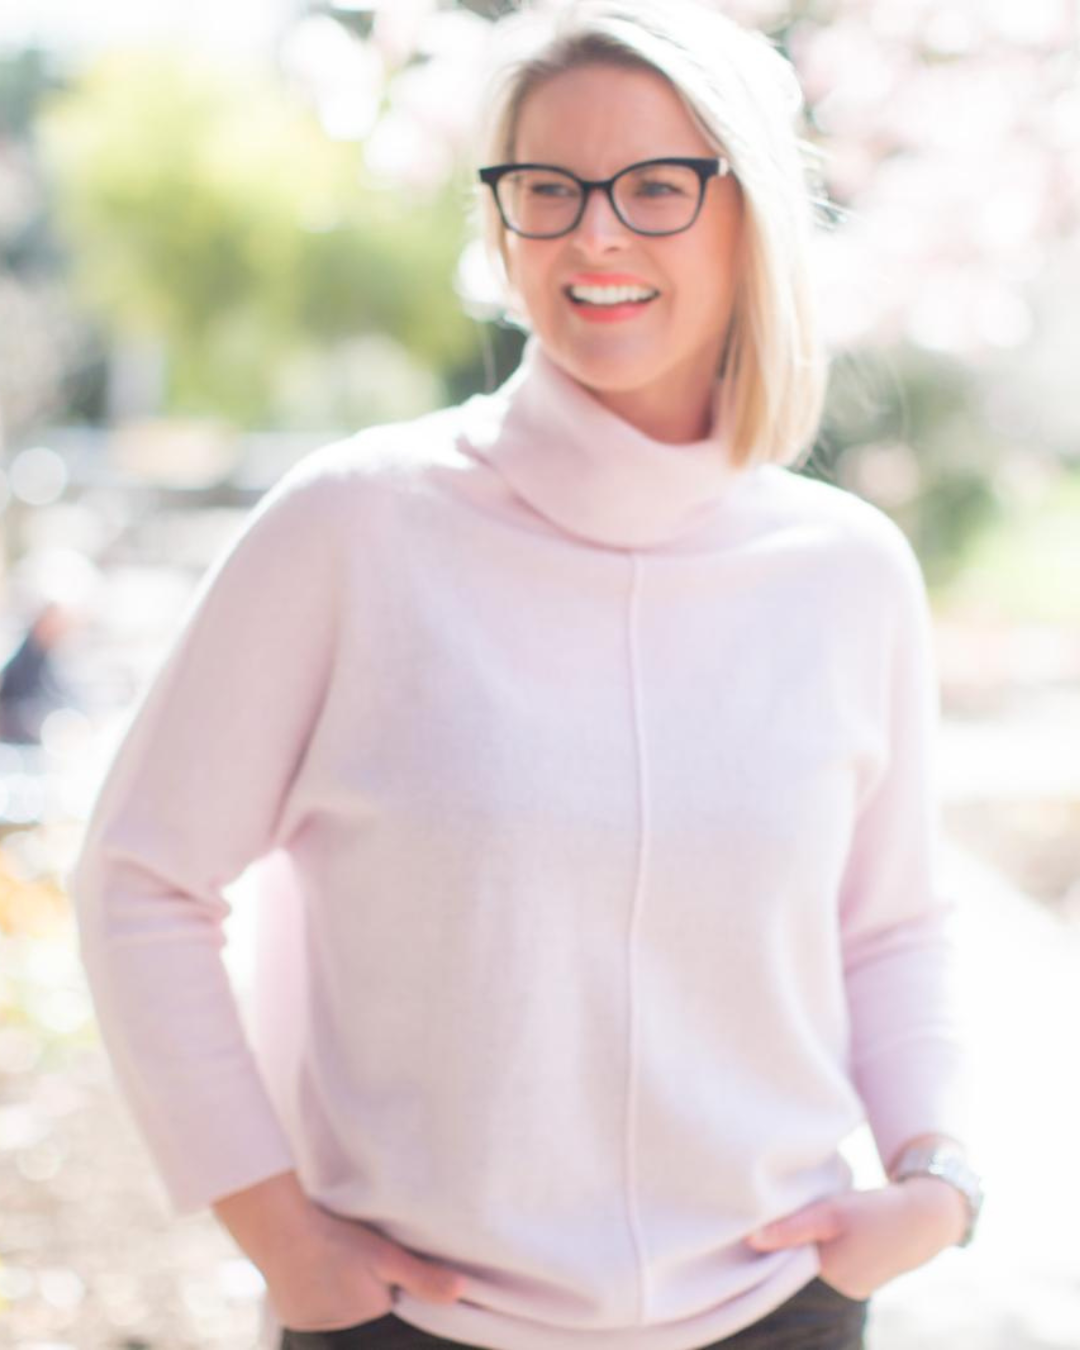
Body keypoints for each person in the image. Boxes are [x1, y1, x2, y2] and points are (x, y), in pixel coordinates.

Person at [69, 3, 982, 1348]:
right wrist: (279, 1236)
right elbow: (141, 876)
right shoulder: (354, 525)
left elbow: (890, 924)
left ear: (752, 216)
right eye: (548, 188)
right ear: (502, 228)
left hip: (777, 1307)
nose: (593, 235)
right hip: (414, 1320)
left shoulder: (850, 572)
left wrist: (937, 1180)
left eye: (655, 187)